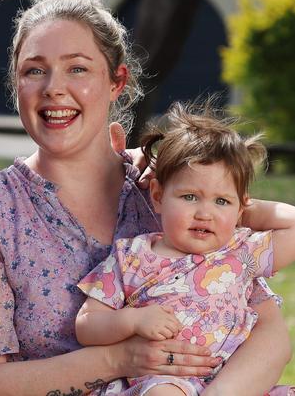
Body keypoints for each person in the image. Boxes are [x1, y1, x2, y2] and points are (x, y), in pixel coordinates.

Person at [0, 0, 292, 395]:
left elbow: (268, 331)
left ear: (117, 81)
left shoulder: (168, 194)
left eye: (77, 69)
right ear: (16, 84)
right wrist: (120, 358)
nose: (53, 88)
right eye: (34, 70)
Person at [75, 101, 295, 396]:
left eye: (220, 201)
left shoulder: (242, 251)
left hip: (232, 382)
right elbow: (87, 325)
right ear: (158, 195)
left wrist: (246, 211)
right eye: (190, 196)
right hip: (161, 380)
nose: (205, 213)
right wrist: (133, 320)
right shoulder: (132, 256)